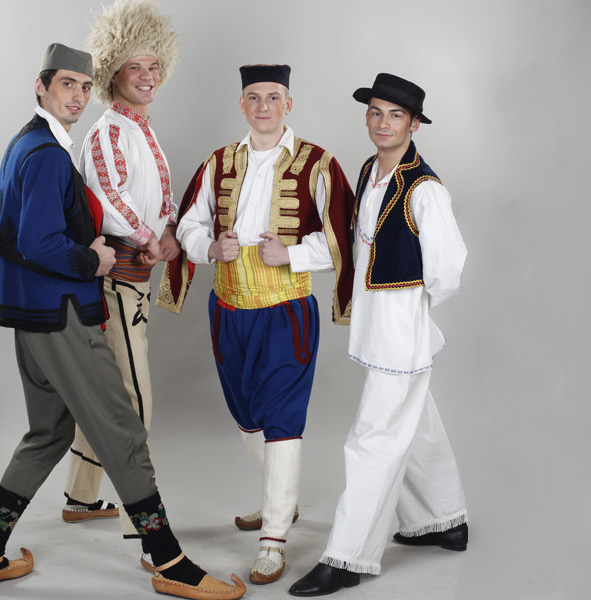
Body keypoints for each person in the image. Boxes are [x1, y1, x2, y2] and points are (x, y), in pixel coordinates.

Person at [0, 42, 244, 600]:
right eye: (67, 84)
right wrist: (93, 260)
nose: (77, 96)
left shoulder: (25, 143)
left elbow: (2, 235)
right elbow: (38, 242)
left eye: (85, 87)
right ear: (41, 86)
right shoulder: (46, 153)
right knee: (122, 428)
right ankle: (170, 562)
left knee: (48, 434)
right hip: (61, 314)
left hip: (30, 316)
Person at [159, 64, 355, 585]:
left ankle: (273, 539)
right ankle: (281, 500)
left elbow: (342, 237)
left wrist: (291, 253)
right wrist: (209, 247)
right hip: (228, 305)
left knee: (282, 415)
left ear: (289, 104)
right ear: (241, 105)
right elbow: (189, 223)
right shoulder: (219, 161)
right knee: (246, 413)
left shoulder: (319, 162)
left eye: (273, 97)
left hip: (286, 308)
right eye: (253, 97)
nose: (263, 106)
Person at [289, 73, 469, 597]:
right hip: (377, 329)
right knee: (419, 424)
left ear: (414, 125)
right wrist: (292, 255)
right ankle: (442, 520)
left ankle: (348, 557)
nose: (383, 123)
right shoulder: (370, 171)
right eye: (376, 112)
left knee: (373, 439)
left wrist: (408, 312)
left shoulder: (425, 189)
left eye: (395, 115)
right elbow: (354, 244)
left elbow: (448, 270)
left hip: (399, 331)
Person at [59, 0, 181, 569]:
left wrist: (169, 228)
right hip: (120, 278)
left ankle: (81, 497)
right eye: (136, 67)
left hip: (137, 273)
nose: (148, 76)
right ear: (113, 72)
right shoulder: (109, 130)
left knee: (115, 391)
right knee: (134, 397)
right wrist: (151, 237)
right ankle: (145, 525)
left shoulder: (141, 129)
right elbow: (109, 197)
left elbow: (160, 192)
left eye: (154, 66)